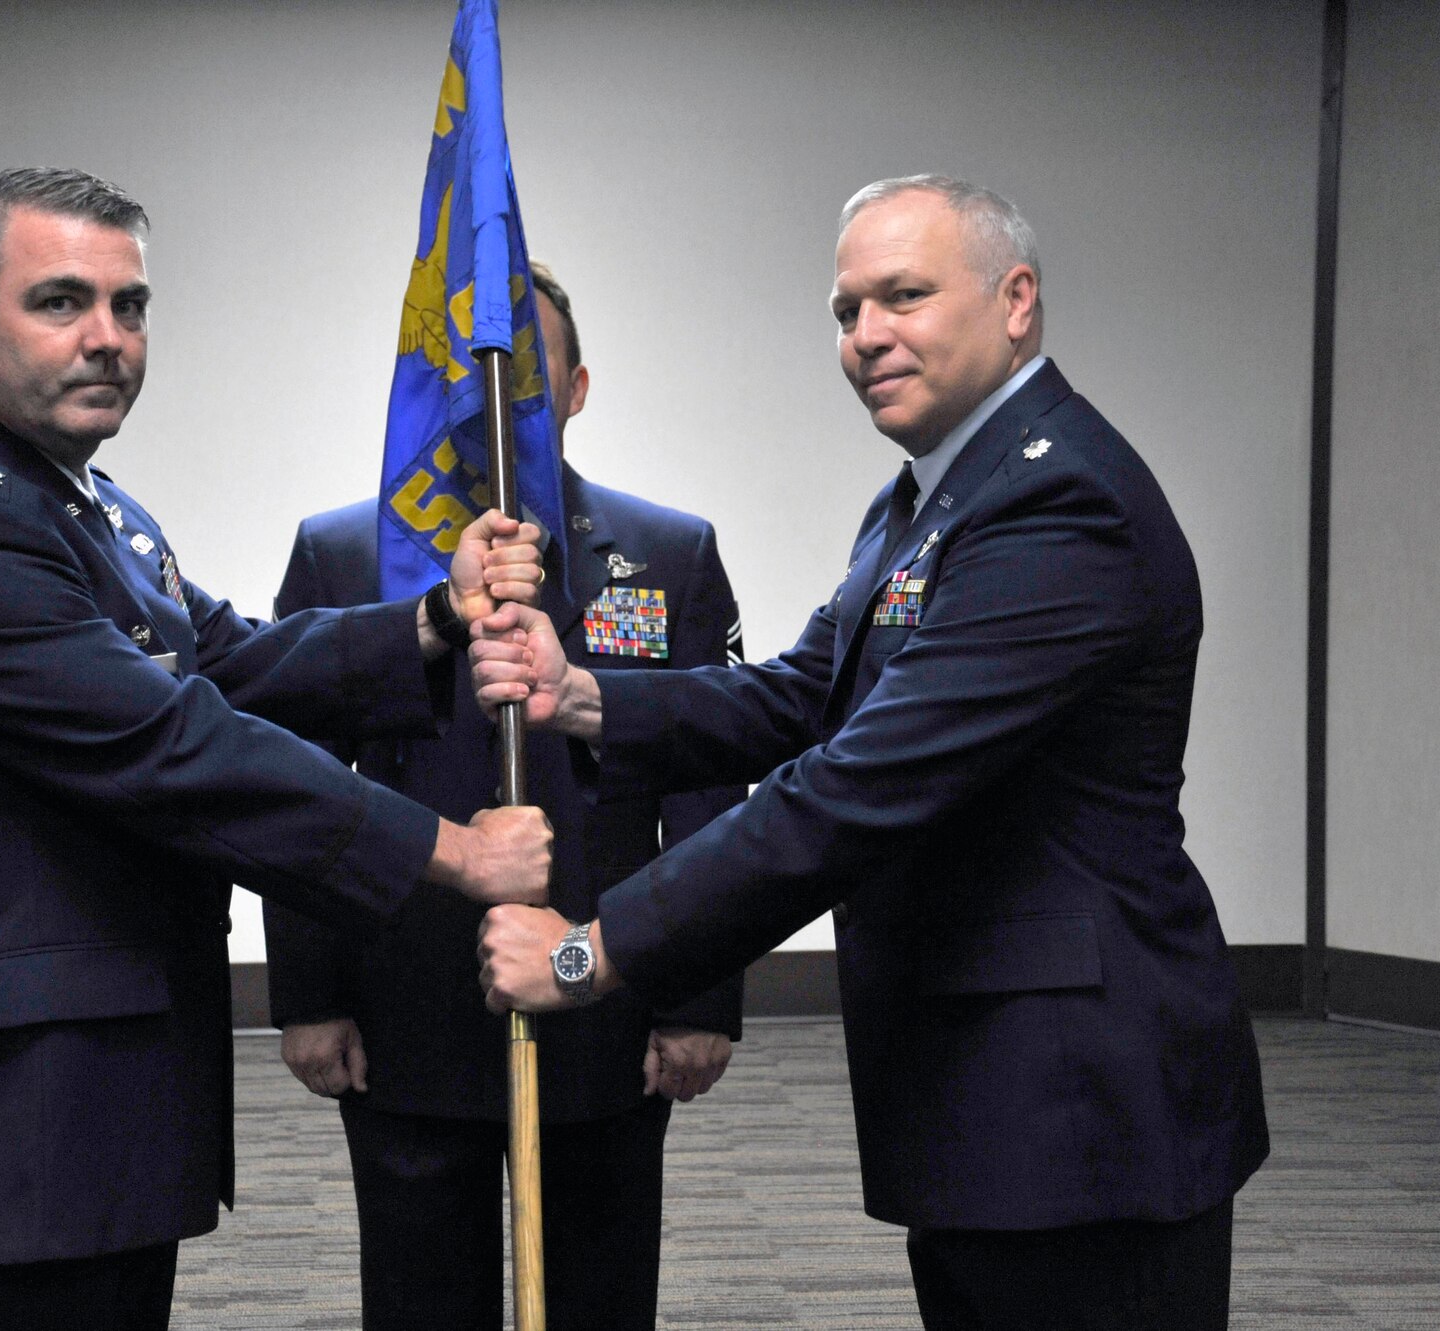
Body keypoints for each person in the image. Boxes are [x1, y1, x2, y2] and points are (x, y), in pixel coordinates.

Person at [471, 176, 1269, 1330]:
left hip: (1079, 1103)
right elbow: (802, 695)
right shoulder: (924, 500)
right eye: (846, 310)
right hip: (983, 1086)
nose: (865, 336)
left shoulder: (1058, 503)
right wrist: (582, 693)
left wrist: (589, 955)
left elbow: (853, 789)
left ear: (1015, 302)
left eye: (904, 295)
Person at [0, 166, 552, 1331]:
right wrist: (455, 853)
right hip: (5, 1124)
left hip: (88, 1095)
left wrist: (435, 617)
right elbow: (173, 745)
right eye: (59, 302)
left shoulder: (85, 503)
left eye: (130, 306)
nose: (106, 339)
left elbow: (233, 661)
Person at [261, 260, 746, 1331]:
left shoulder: (668, 552)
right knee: (416, 1287)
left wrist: (697, 995)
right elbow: (289, 778)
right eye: (472, 375)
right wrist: (306, 990)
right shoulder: (342, 555)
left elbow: (709, 780)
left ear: (574, 391)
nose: (496, 398)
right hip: (403, 992)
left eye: (530, 374)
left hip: (604, 983)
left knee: (600, 1284)